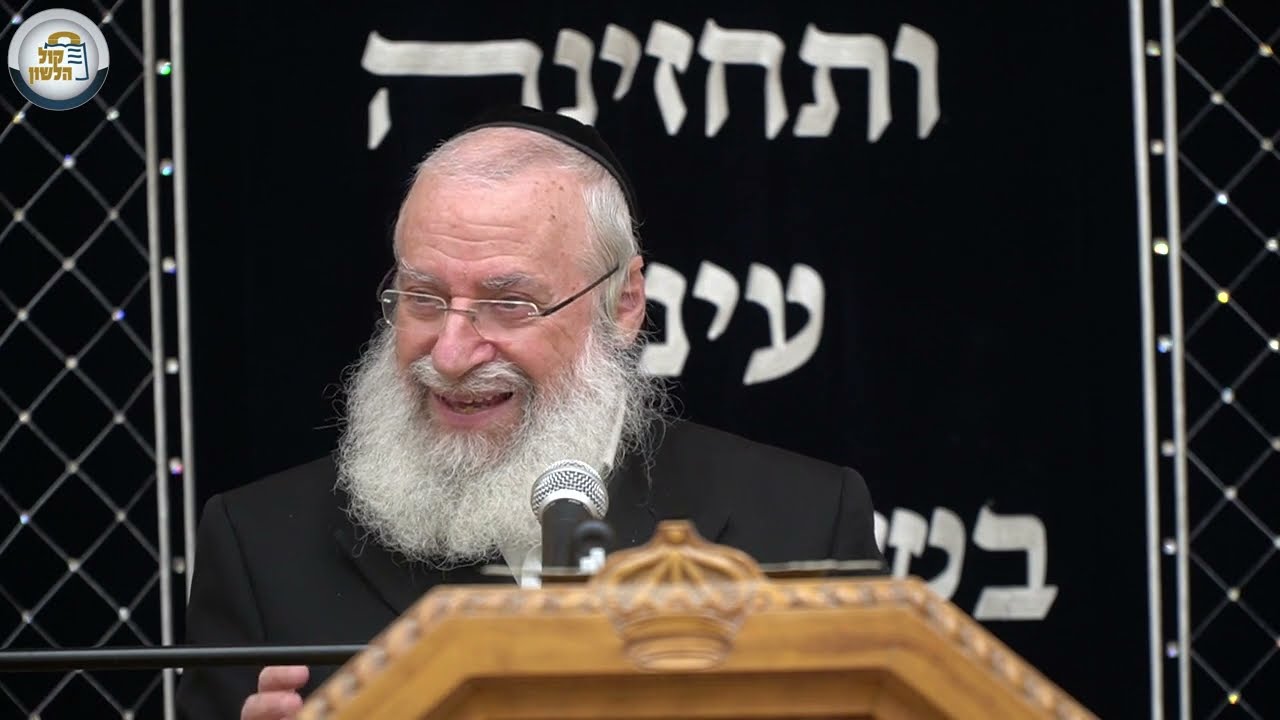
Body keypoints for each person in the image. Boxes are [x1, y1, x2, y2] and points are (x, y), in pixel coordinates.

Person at [175, 106, 884, 720]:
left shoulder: (803, 522)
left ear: (624, 303)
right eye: (423, 298)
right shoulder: (258, 547)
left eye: (509, 304)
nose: (451, 354)